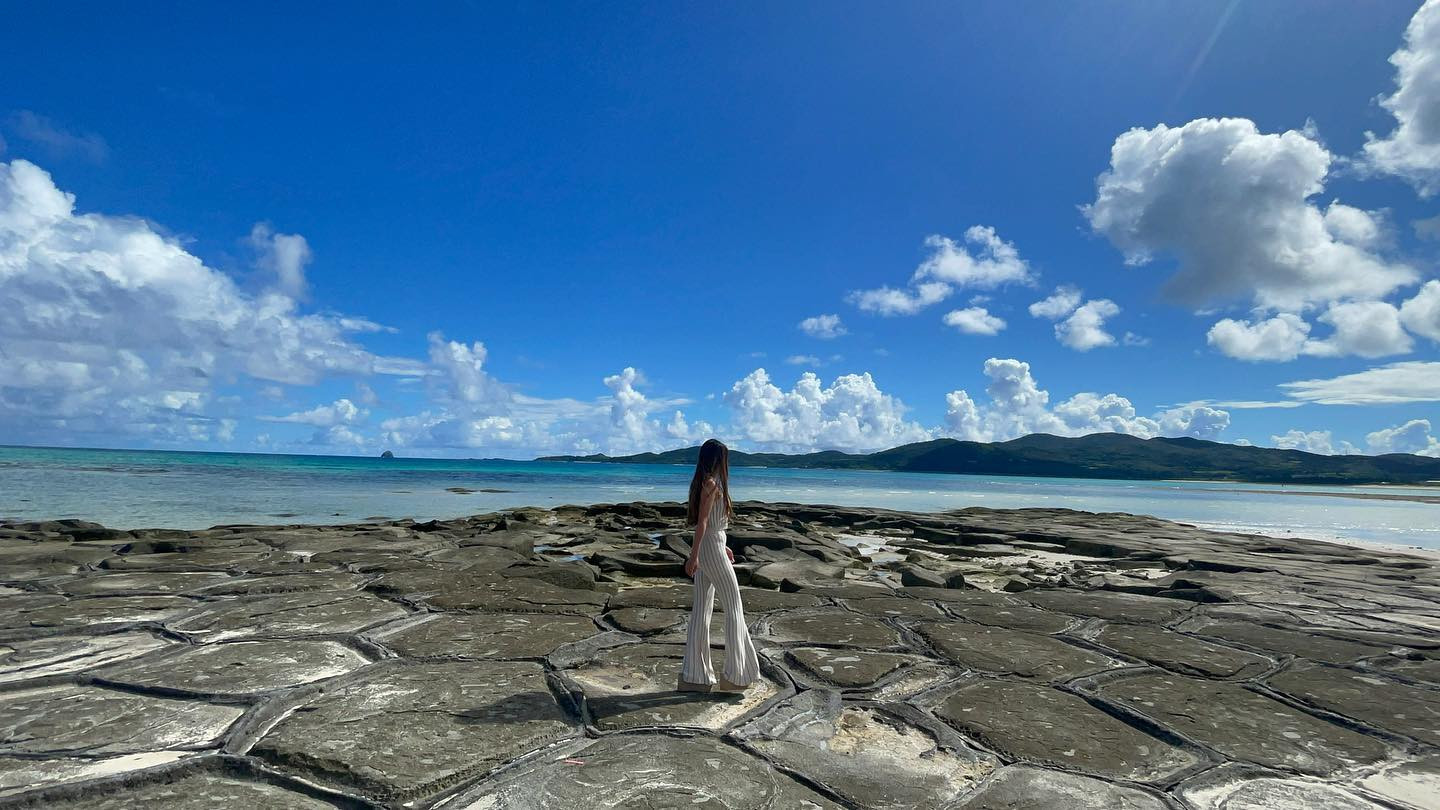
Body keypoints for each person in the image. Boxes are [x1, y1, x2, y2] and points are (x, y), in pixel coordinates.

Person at [677, 438, 760, 693]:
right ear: (718, 460)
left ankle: (694, 677)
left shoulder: (704, 482)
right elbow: (702, 524)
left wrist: (721, 544)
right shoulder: (712, 483)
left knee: (702, 609)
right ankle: (735, 676)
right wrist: (694, 556)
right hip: (708, 548)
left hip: (712, 546)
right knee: (734, 607)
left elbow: (709, 524)